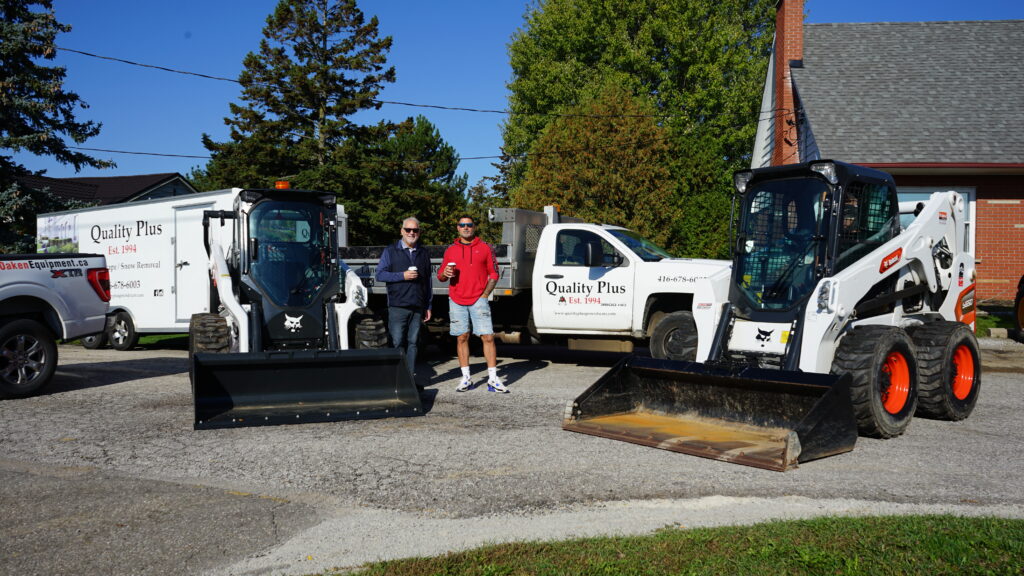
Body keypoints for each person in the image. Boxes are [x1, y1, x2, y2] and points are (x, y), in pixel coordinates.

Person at [437, 214, 507, 393]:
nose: (466, 227)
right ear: (457, 228)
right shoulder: (450, 250)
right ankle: (466, 378)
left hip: (478, 299)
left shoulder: (485, 248)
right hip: (457, 299)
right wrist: (445, 272)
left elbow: (494, 273)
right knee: (462, 337)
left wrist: (484, 295)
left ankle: (492, 379)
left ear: (474, 227)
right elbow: (441, 277)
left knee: (488, 337)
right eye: (462, 225)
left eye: (469, 225)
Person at [375, 217, 432, 381]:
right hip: (398, 305)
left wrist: (428, 305)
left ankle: (410, 378)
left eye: (415, 230)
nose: (411, 233)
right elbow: (380, 274)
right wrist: (403, 275)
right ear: (402, 231)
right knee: (396, 342)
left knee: (413, 343)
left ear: (419, 232)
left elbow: (427, 281)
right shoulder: (391, 251)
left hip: (417, 306)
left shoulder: (423, 252)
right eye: (408, 230)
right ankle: (395, 378)